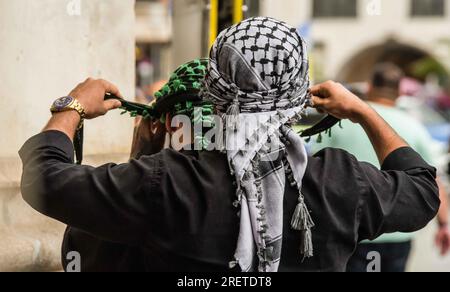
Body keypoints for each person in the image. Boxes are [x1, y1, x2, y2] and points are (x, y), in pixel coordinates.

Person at [19, 17, 439, 272]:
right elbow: (421, 190)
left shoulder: (164, 182)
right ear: (297, 93)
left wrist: (71, 105)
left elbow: (45, 179)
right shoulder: (340, 181)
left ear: (216, 89)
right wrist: (362, 110)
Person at [312, 63, 450, 272]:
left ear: (369, 87)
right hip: (399, 233)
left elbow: (313, 168)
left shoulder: (340, 122)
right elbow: (431, 178)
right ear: (400, 92)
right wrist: (444, 224)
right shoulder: (414, 127)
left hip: (349, 230)